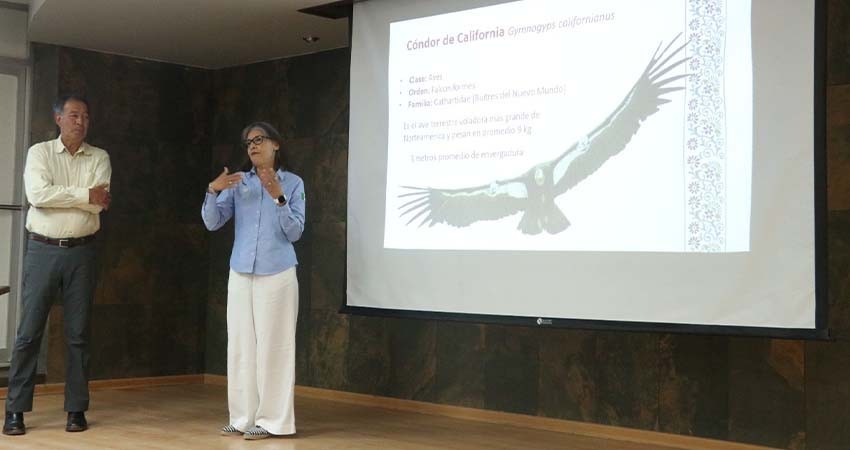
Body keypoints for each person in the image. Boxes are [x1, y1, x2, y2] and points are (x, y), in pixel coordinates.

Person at [4, 95, 111, 436]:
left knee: (78, 335)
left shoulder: (100, 157)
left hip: (83, 253)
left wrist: (69, 197)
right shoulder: (40, 153)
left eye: (86, 116)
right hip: (43, 251)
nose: (81, 121)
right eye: (74, 115)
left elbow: (99, 206)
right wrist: (83, 196)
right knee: (28, 334)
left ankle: (76, 410)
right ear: (58, 119)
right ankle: (15, 412)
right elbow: (37, 195)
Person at [202, 121, 305, 440]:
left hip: (277, 272)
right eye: (248, 143)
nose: (253, 146)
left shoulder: (293, 182)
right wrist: (213, 190)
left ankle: (274, 421)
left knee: (275, 348)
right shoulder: (239, 182)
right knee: (241, 346)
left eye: (259, 140)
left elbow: (295, 232)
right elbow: (212, 222)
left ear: (276, 144)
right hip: (241, 271)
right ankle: (243, 417)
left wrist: (279, 197)